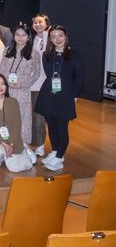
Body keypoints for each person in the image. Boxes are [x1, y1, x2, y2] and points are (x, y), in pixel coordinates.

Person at [35, 25, 84, 171]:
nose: (57, 39)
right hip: (48, 94)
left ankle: (59, 156)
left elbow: (79, 79)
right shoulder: (47, 55)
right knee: (51, 125)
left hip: (65, 96)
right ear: (50, 39)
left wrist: (74, 97)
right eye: (53, 36)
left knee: (62, 127)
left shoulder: (76, 56)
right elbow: (48, 74)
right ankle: (55, 151)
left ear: (66, 36)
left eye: (60, 35)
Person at [0, 73, 35, 172]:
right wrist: (4, 143)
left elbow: (17, 125)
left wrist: (11, 144)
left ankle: (21, 149)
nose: (0, 87)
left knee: (15, 162)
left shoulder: (13, 102)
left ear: (6, 86)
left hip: (12, 138)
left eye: (2, 84)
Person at [0, 23, 40, 148]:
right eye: (17, 35)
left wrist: (21, 83)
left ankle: (22, 146)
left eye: (24, 35)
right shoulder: (7, 50)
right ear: (13, 36)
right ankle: (6, 145)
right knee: (7, 117)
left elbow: (36, 73)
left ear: (28, 37)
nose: (20, 38)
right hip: (7, 91)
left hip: (22, 91)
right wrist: (5, 84)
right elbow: (2, 69)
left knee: (22, 118)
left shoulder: (34, 53)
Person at [30, 13, 51, 156]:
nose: (37, 25)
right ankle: (34, 142)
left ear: (47, 23)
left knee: (39, 116)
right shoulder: (33, 39)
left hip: (42, 83)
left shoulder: (50, 38)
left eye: (40, 22)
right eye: (35, 23)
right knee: (31, 115)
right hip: (30, 82)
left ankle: (40, 145)